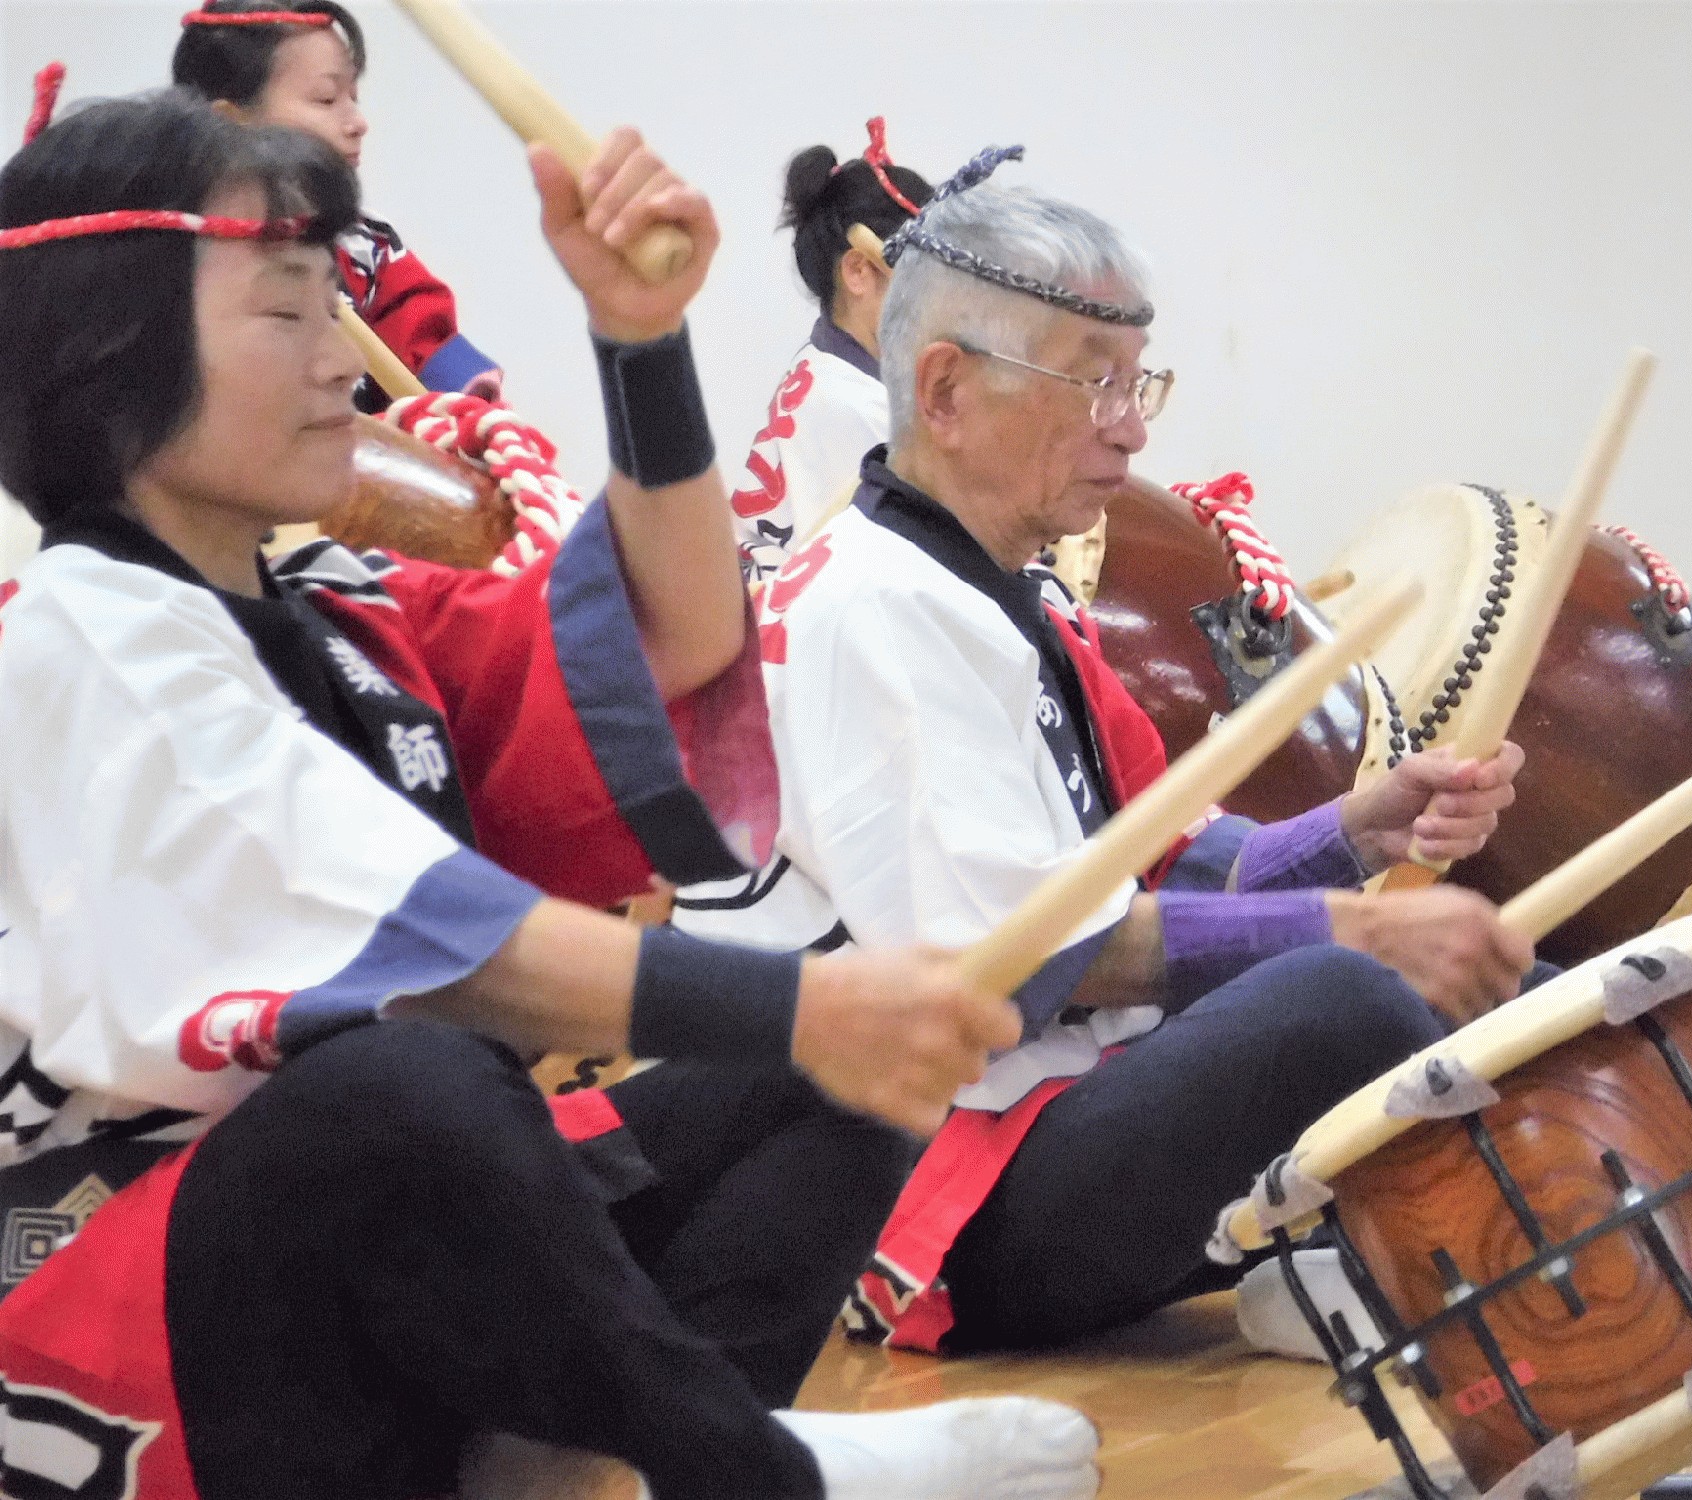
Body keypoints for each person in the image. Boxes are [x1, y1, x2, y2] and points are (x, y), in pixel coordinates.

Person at [0, 91, 1100, 1500]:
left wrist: (640, 338)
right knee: (409, 1076)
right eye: (285, 315)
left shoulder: (343, 618)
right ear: (110, 349)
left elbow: (674, 638)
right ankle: (737, 1468)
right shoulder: (73, 632)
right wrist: (814, 1003)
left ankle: (603, 1466)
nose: (345, 361)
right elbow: (431, 945)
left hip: (387, 1250)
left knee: (815, 1082)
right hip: (121, 1297)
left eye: (335, 306)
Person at [673, 149, 1537, 1357]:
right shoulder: (871, 609)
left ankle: (1613, 1210)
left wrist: (1358, 831)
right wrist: (1348, 928)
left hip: (1064, 1109)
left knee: (1521, 982)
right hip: (945, 1194)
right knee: (1345, 992)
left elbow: (1160, 860)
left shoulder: (1003, 589)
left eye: (1142, 384)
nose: (1131, 432)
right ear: (944, 389)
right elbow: (1022, 959)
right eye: (1093, 384)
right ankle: (1513, 1263)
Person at [174, 0, 503, 404]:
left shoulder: (366, 243)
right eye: (327, 100)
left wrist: (469, 407)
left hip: (369, 454)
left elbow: (425, 336)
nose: (357, 123)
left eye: (354, 97)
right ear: (230, 119)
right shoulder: (177, 255)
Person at [731, 119, 931, 582]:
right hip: (785, 640)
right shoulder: (857, 407)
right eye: (925, 271)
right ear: (860, 270)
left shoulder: (828, 368)